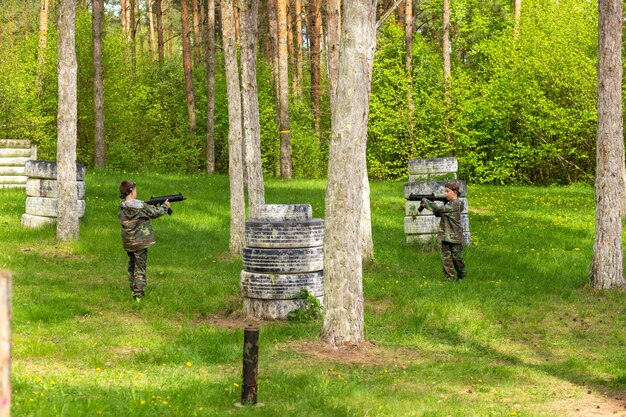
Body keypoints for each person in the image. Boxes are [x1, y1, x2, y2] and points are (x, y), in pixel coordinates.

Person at [118, 180, 170, 301]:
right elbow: (156, 213)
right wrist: (165, 207)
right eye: (135, 190)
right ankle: (138, 295)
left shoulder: (121, 207)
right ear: (131, 191)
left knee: (132, 264)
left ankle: (133, 288)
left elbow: (134, 215)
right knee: (140, 267)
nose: (136, 192)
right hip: (140, 242)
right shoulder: (141, 206)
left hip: (128, 242)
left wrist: (147, 208)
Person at [420, 181, 466, 281]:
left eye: (447, 191)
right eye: (444, 191)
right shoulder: (449, 204)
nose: (445, 194)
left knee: (457, 258)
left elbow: (439, 209)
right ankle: (449, 278)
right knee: (446, 259)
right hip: (445, 235)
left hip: (455, 236)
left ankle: (462, 276)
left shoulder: (456, 204)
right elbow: (440, 213)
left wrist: (426, 202)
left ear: (455, 191)